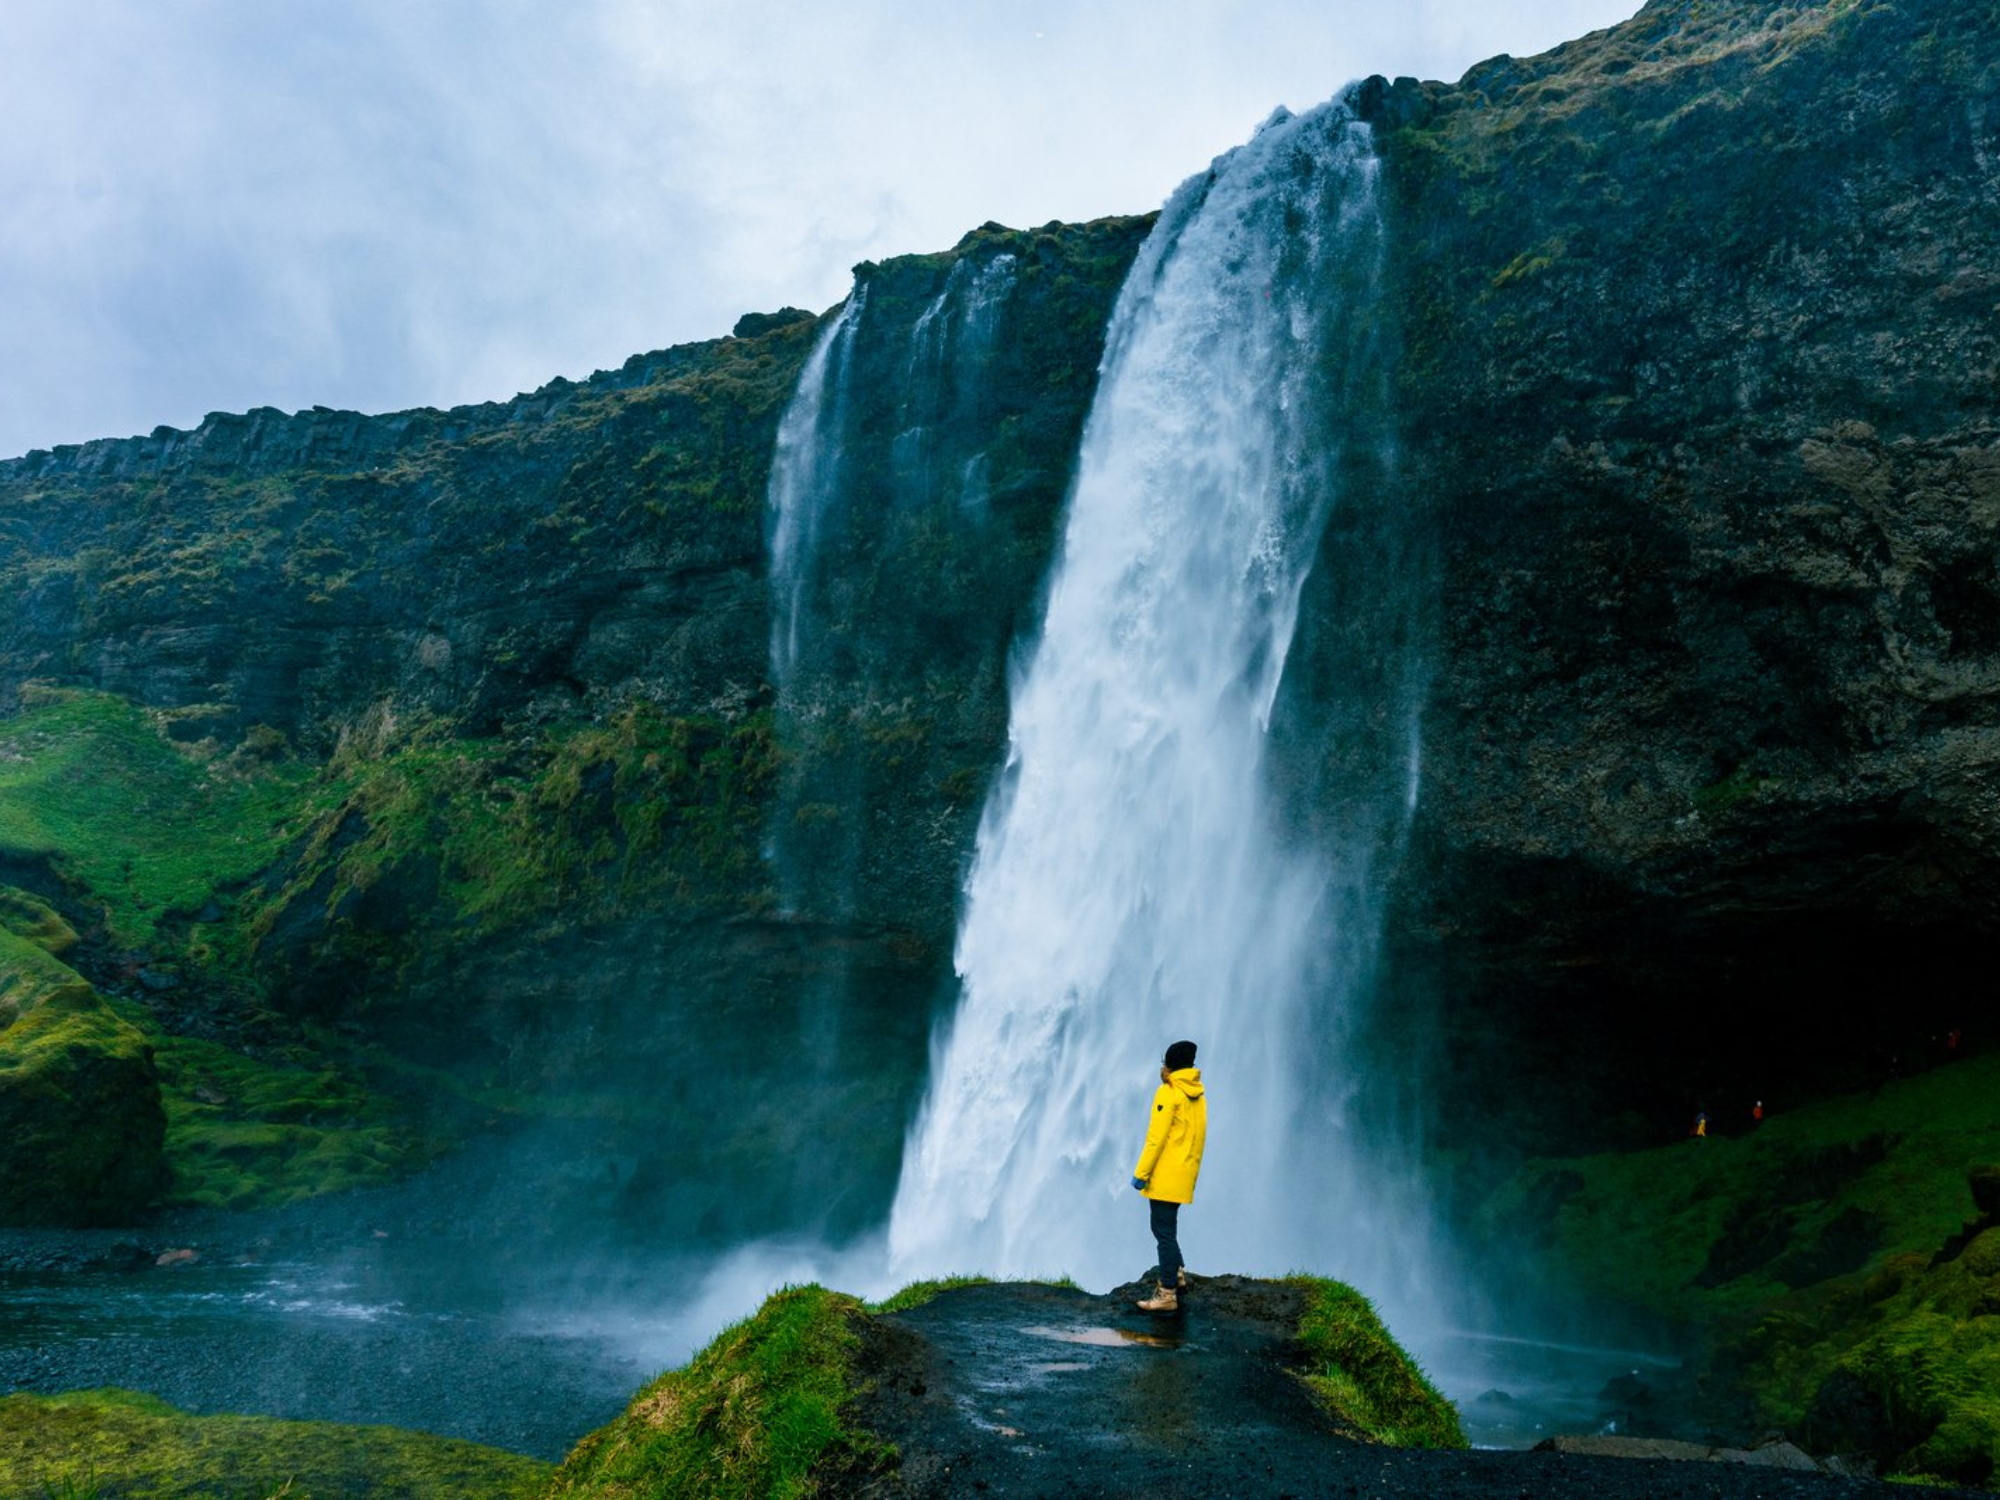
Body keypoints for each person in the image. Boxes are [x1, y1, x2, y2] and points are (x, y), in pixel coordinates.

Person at [1130, 1038, 1206, 1315]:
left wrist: (1141, 1173)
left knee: (1162, 1232)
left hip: (1165, 1175)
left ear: (1170, 1065)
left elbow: (1156, 1139)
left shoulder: (1168, 1092)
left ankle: (1167, 1294)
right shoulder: (1197, 1095)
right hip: (1184, 1172)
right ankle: (1178, 1274)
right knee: (1167, 1229)